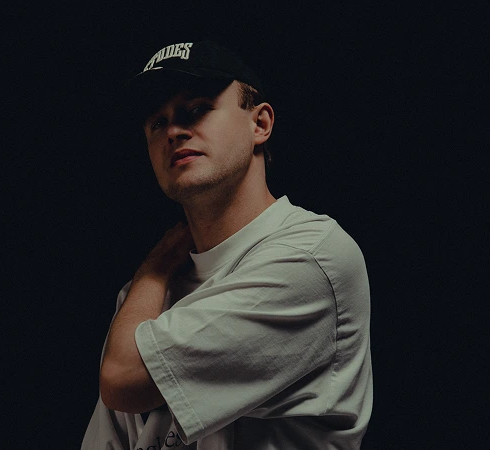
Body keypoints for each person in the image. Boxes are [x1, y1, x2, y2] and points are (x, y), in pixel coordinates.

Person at [82, 40, 372, 450]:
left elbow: (123, 379)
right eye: (157, 122)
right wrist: (152, 279)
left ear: (260, 124)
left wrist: (153, 269)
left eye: (197, 109)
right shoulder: (143, 299)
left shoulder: (312, 256)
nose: (174, 131)